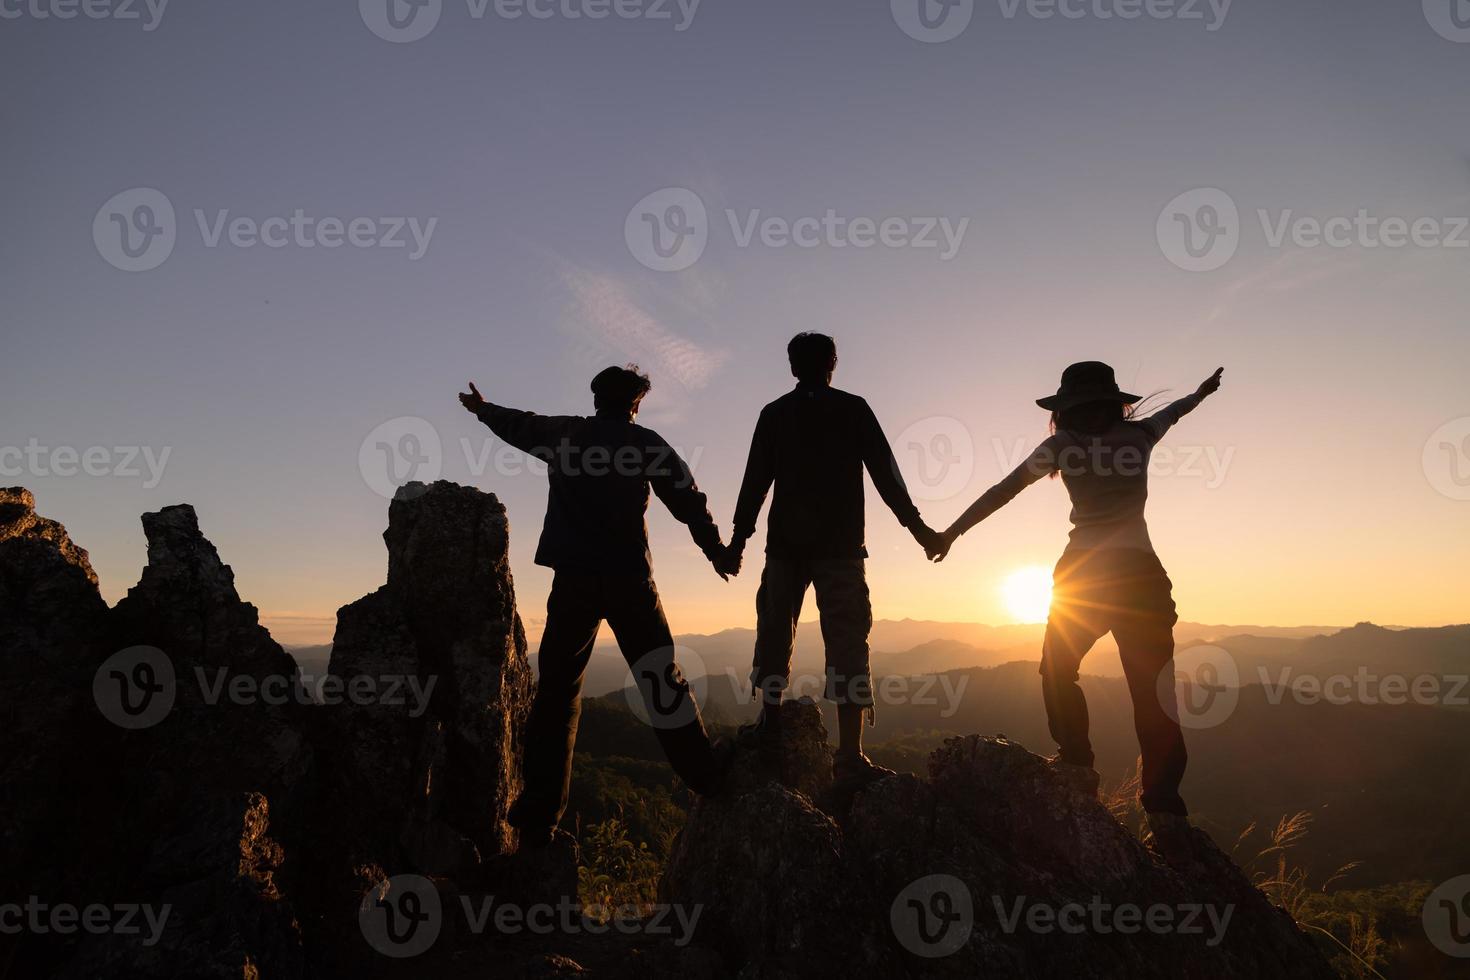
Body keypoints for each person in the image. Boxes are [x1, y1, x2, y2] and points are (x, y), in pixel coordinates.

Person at [930, 361, 1223, 834]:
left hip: (1085, 578)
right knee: (1153, 694)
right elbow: (1177, 411)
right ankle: (1164, 809)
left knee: (1058, 668)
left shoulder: (1063, 446)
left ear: (1065, 410)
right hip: (1139, 578)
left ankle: (1077, 763)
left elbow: (1003, 491)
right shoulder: (1141, 435)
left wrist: (951, 533)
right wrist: (1202, 391)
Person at [459, 365, 732, 845]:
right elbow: (686, 498)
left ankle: (541, 811)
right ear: (635, 404)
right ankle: (706, 777)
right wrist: (716, 550)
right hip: (630, 580)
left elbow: (518, 425)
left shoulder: (565, 434)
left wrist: (483, 411)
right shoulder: (646, 443)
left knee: (558, 693)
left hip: (574, 582)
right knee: (661, 681)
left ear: (594, 398)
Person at [722, 333, 943, 788]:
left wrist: (739, 540)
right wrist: (919, 529)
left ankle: (771, 725)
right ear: (833, 363)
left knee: (774, 628)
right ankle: (849, 756)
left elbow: (754, 483)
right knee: (847, 641)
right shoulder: (853, 409)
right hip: (841, 548)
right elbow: (887, 475)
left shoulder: (775, 414)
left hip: (785, 546)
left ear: (791, 367)